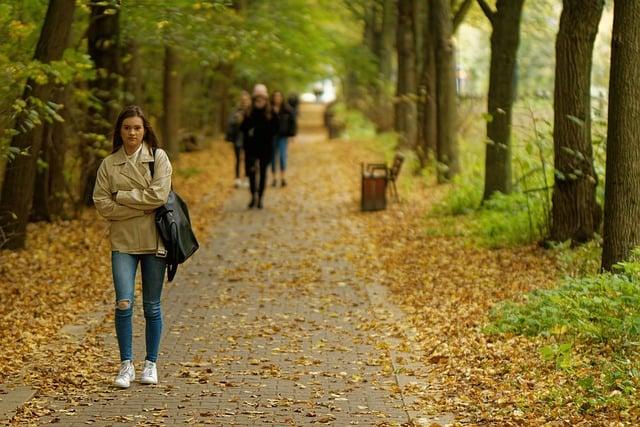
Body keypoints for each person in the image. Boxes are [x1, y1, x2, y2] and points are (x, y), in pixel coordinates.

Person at [93, 105, 173, 389]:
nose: (132, 133)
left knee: (152, 306)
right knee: (123, 302)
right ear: (119, 131)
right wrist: (139, 209)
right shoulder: (108, 164)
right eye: (127, 128)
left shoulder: (158, 158)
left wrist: (123, 196)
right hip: (123, 241)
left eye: (137, 128)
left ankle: (151, 363)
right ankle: (126, 364)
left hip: (154, 241)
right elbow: (102, 203)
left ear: (145, 130)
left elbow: (159, 196)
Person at [240, 84, 278, 209]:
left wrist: (262, 130)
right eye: (257, 97)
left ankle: (260, 197)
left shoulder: (271, 112)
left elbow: (276, 129)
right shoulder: (248, 111)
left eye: (262, 97)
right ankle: (253, 196)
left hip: (266, 148)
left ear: (266, 98)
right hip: (251, 148)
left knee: (262, 172)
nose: (259, 99)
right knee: (251, 173)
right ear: (254, 97)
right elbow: (243, 129)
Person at [225, 90, 251, 188]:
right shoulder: (235, 110)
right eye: (242, 100)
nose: (244, 101)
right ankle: (237, 178)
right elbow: (230, 122)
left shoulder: (251, 111)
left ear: (249, 100)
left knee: (248, 159)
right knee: (238, 158)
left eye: (246, 99)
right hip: (238, 138)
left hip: (249, 139)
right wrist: (237, 119)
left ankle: (247, 178)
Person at [270, 90, 296, 187]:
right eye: (275, 96)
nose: (277, 98)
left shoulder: (287, 109)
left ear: (282, 98)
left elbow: (293, 122)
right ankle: (274, 178)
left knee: (282, 156)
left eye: (279, 96)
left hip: (283, 136)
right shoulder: (269, 109)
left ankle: (283, 177)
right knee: (272, 158)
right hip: (272, 136)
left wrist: (292, 135)